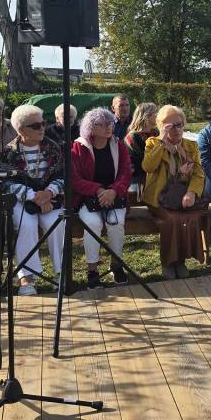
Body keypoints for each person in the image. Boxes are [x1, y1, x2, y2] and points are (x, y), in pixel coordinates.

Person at [0, 105, 65, 295]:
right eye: (36, 125)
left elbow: (63, 175)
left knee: (55, 222)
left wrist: (49, 193)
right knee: (26, 225)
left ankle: (61, 273)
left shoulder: (53, 147)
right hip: (22, 199)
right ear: (21, 130)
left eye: (43, 123)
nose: (42, 128)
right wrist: (33, 196)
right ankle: (26, 277)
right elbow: (5, 183)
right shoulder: (10, 151)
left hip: (50, 198)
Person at [142, 105, 207, 279]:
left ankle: (180, 261)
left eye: (179, 124)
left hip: (182, 197)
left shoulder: (190, 146)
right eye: (170, 126)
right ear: (161, 126)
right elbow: (148, 166)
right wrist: (162, 141)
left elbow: (198, 173)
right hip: (159, 198)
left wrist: (192, 193)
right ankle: (168, 263)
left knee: (189, 218)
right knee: (172, 220)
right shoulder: (152, 143)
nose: (176, 129)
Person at [70, 108, 132, 287]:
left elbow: (125, 173)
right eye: (102, 124)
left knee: (116, 223)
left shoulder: (118, 144)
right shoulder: (78, 147)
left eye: (110, 123)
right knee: (92, 224)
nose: (108, 127)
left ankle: (116, 265)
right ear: (90, 127)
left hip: (114, 197)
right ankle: (92, 270)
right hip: (88, 198)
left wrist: (113, 191)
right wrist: (97, 190)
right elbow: (75, 179)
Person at [124, 102, 159, 196]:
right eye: (156, 112)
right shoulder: (132, 137)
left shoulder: (156, 133)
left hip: (155, 177)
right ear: (147, 116)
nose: (159, 115)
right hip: (138, 179)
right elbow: (140, 162)